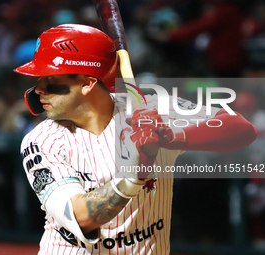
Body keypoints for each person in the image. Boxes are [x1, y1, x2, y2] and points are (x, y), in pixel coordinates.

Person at [14, 24, 256, 255]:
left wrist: (172, 137)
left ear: (88, 83)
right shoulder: (42, 140)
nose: (38, 90)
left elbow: (241, 129)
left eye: (50, 79)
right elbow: (79, 216)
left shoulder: (154, 110)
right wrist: (132, 178)